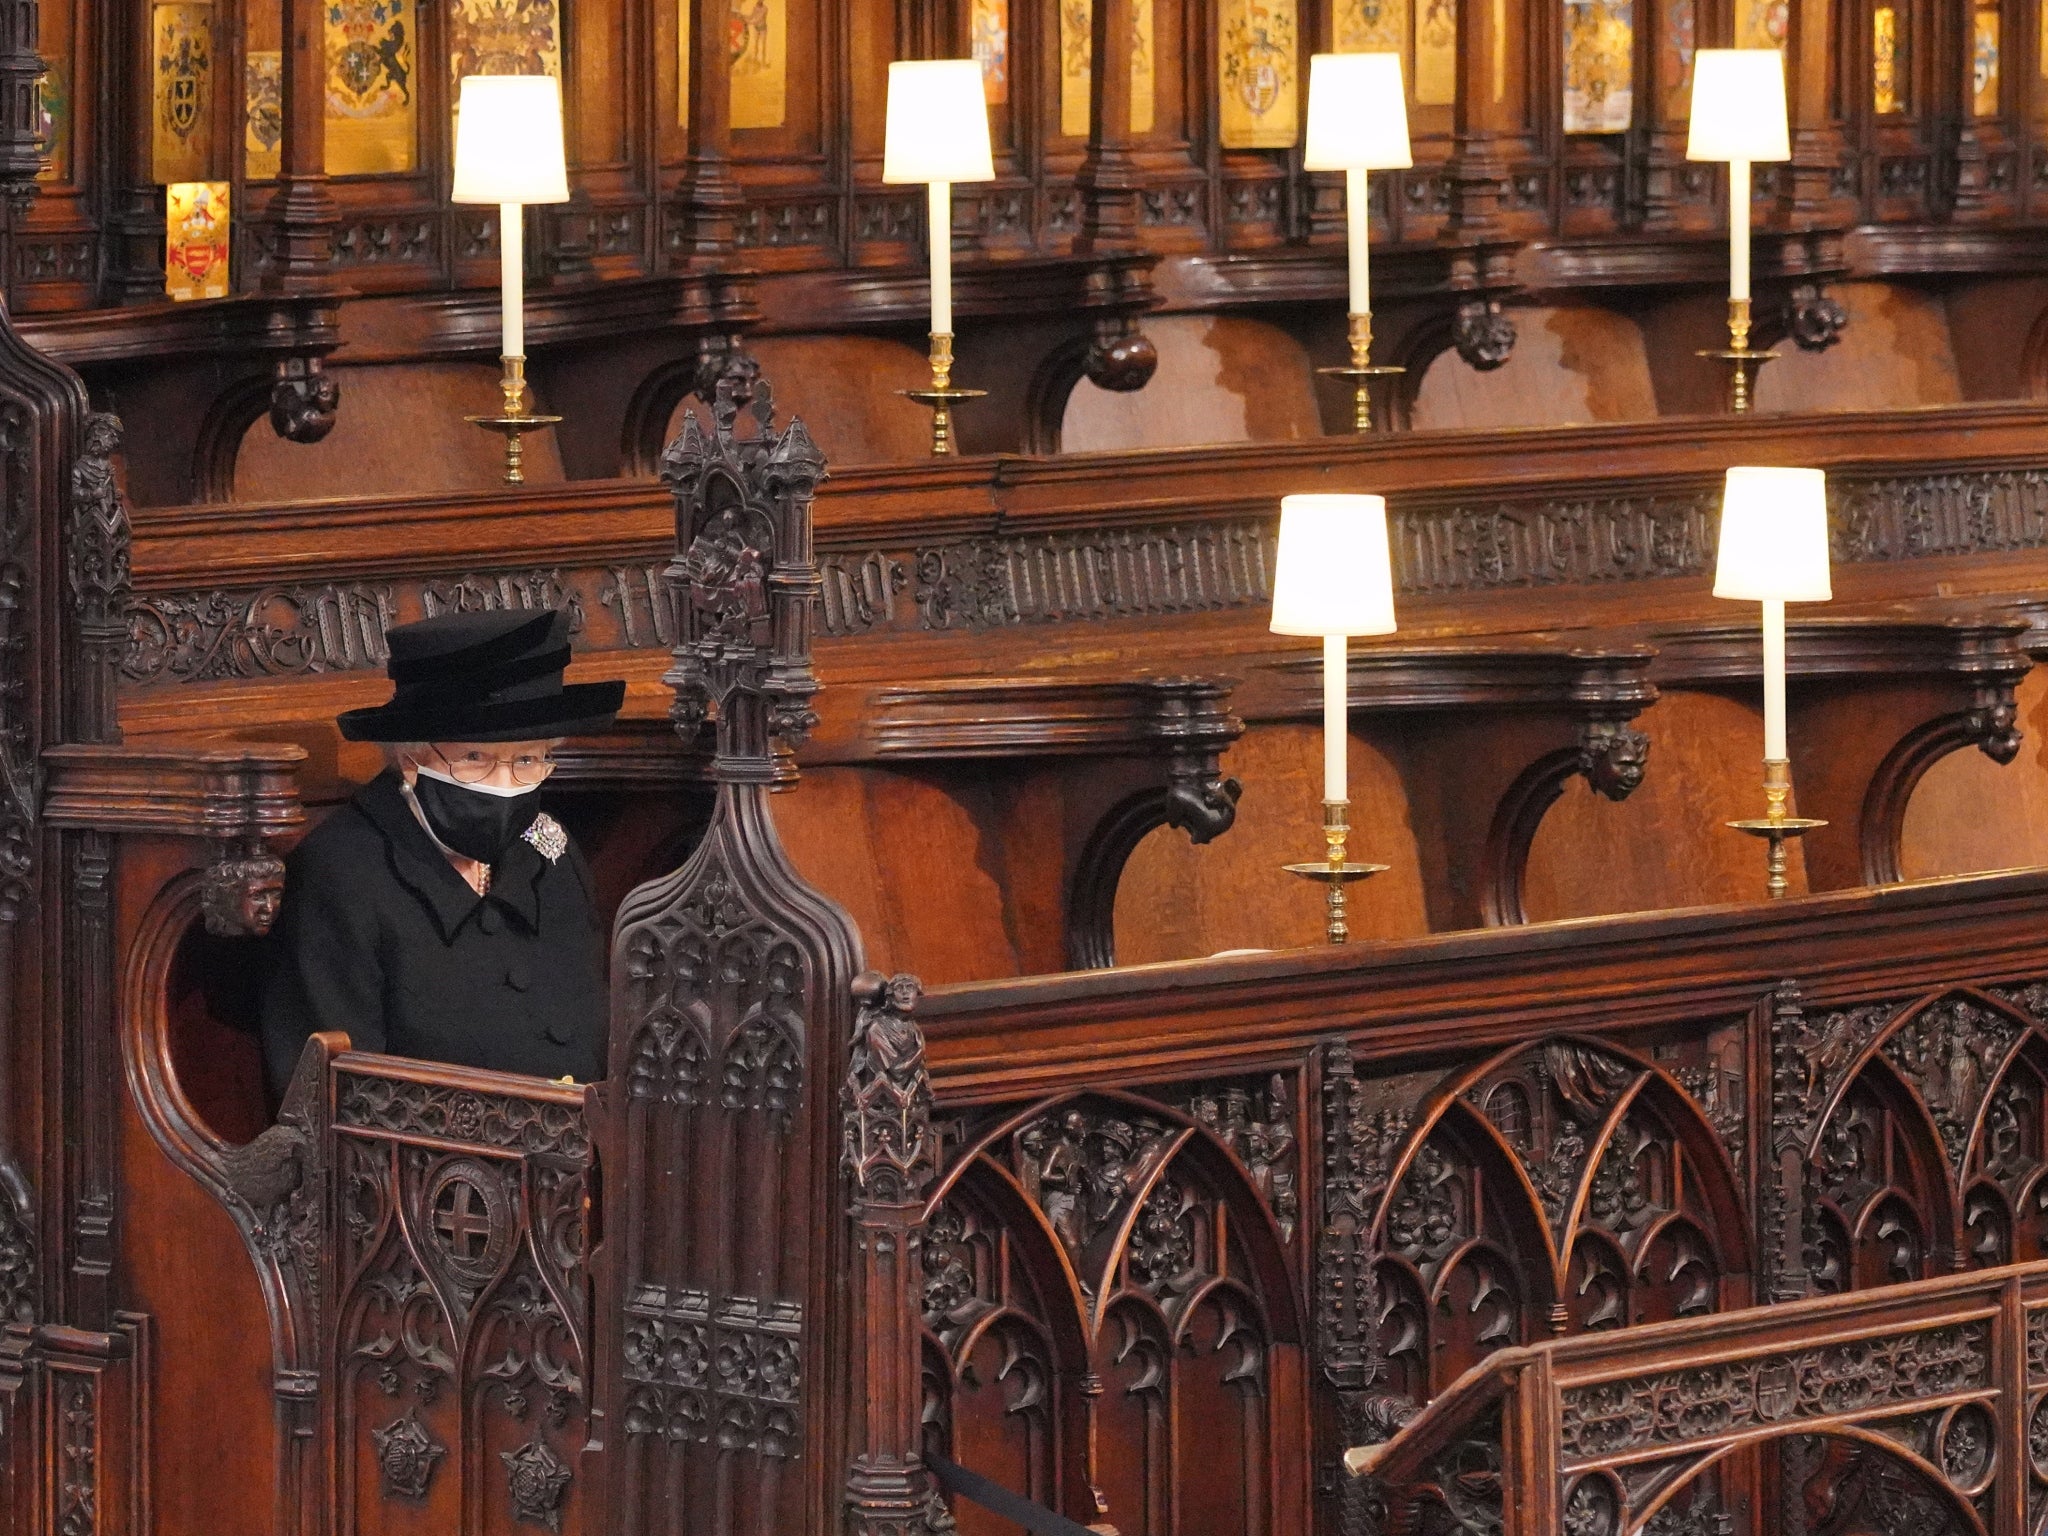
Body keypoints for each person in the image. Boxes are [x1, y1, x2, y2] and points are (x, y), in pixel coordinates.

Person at [259, 608, 626, 1100]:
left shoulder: (551, 852)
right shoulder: (342, 874)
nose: (505, 786)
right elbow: (333, 1101)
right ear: (411, 760)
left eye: (527, 759)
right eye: (475, 758)